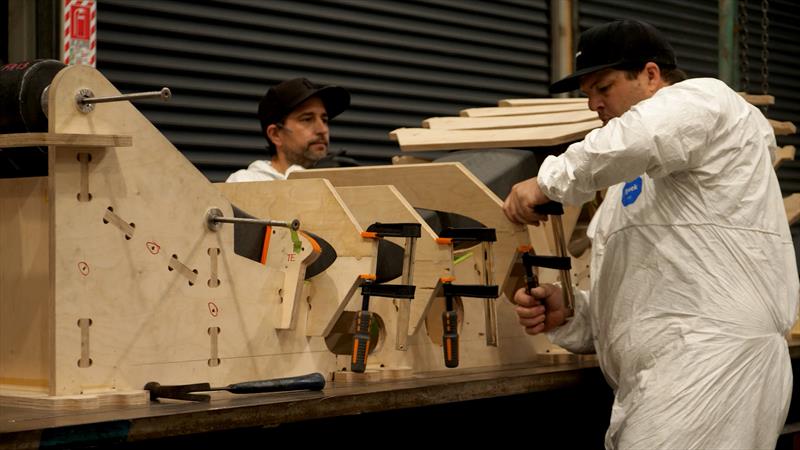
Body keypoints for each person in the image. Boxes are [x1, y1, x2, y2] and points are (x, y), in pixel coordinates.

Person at [503, 19, 799, 449]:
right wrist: (572, 313)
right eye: (587, 95)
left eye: (603, 88)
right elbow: (643, 302)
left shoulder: (706, 99)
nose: (593, 105)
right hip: (666, 378)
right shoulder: (631, 192)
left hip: (711, 367)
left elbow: (639, 136)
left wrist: (547, 182)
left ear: (651, 75)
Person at [227, 77, 350, 182]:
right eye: (307, 119)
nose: (322, 130)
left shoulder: (336, 180)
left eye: (324, 120)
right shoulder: (246, 182)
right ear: (275, 134)